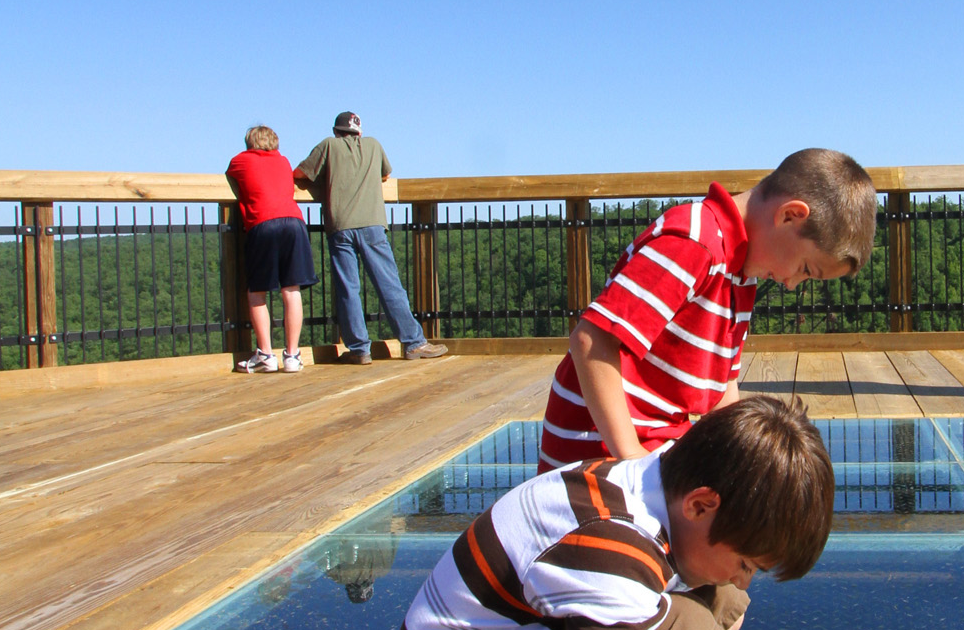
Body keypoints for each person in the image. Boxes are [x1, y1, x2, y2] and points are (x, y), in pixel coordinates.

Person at [537, 148, 876, 472]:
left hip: (656, 444)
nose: (792, 284)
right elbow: (591, 340)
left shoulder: (741, 273)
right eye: (806, 269)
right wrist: (630, 457)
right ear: (790, 215)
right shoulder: (696, 241)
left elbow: (721, 391)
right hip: (598, 455)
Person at [402, 395, 836, 630]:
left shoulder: (648, 480)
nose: (745, 578)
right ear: (700, 504)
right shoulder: (608, 545)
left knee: (723, 596)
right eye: (746, 563)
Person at [294, 111, 447, 364]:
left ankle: (359, 350)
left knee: (348, 289)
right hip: (373, 224)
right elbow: (385, 175)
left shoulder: (328, 145)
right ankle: (413, 343)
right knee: (389, 285)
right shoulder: (374, 145)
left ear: (336, 131)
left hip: (340, 225)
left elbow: (300, 174)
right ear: (359, 132)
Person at [225, 125, 317, 374]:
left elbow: (231, 172)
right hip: (294, 223)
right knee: (291, 289)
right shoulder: (284, 161)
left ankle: (266, 354)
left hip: (262, 224)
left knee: (257, 292)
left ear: (249, 143)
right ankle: (293, 356)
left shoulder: (240, 161)